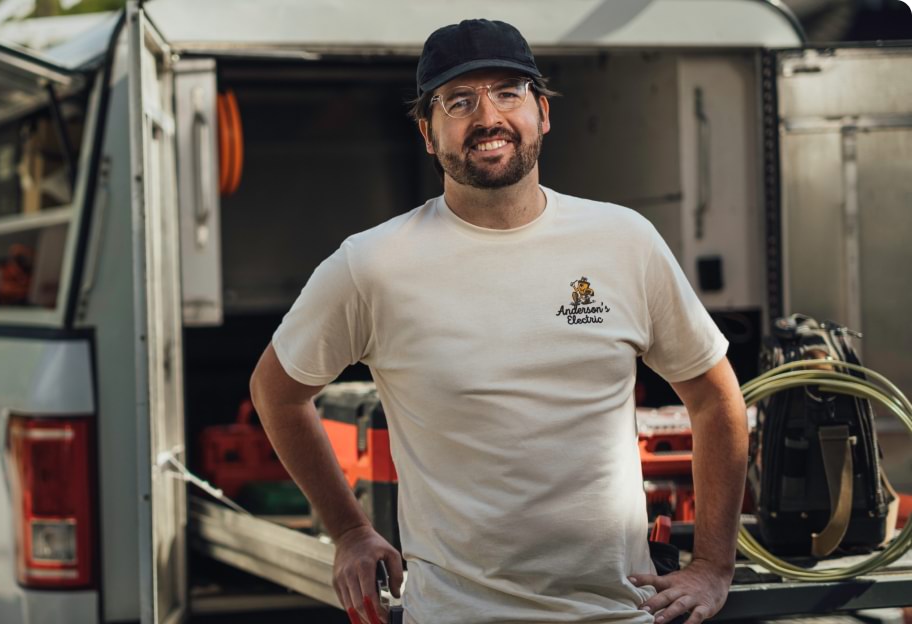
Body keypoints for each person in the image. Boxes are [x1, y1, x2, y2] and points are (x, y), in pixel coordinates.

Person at [249, 18, 748, 624]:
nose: (488, 117)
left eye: (508, 92)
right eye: (458, 101)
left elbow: (716, 399)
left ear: (542, 111)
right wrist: (351, 532)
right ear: (428, 134)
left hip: (620, 614)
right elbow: (276, 393)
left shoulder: (624, 241)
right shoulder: (372, 265)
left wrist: (713, 565)